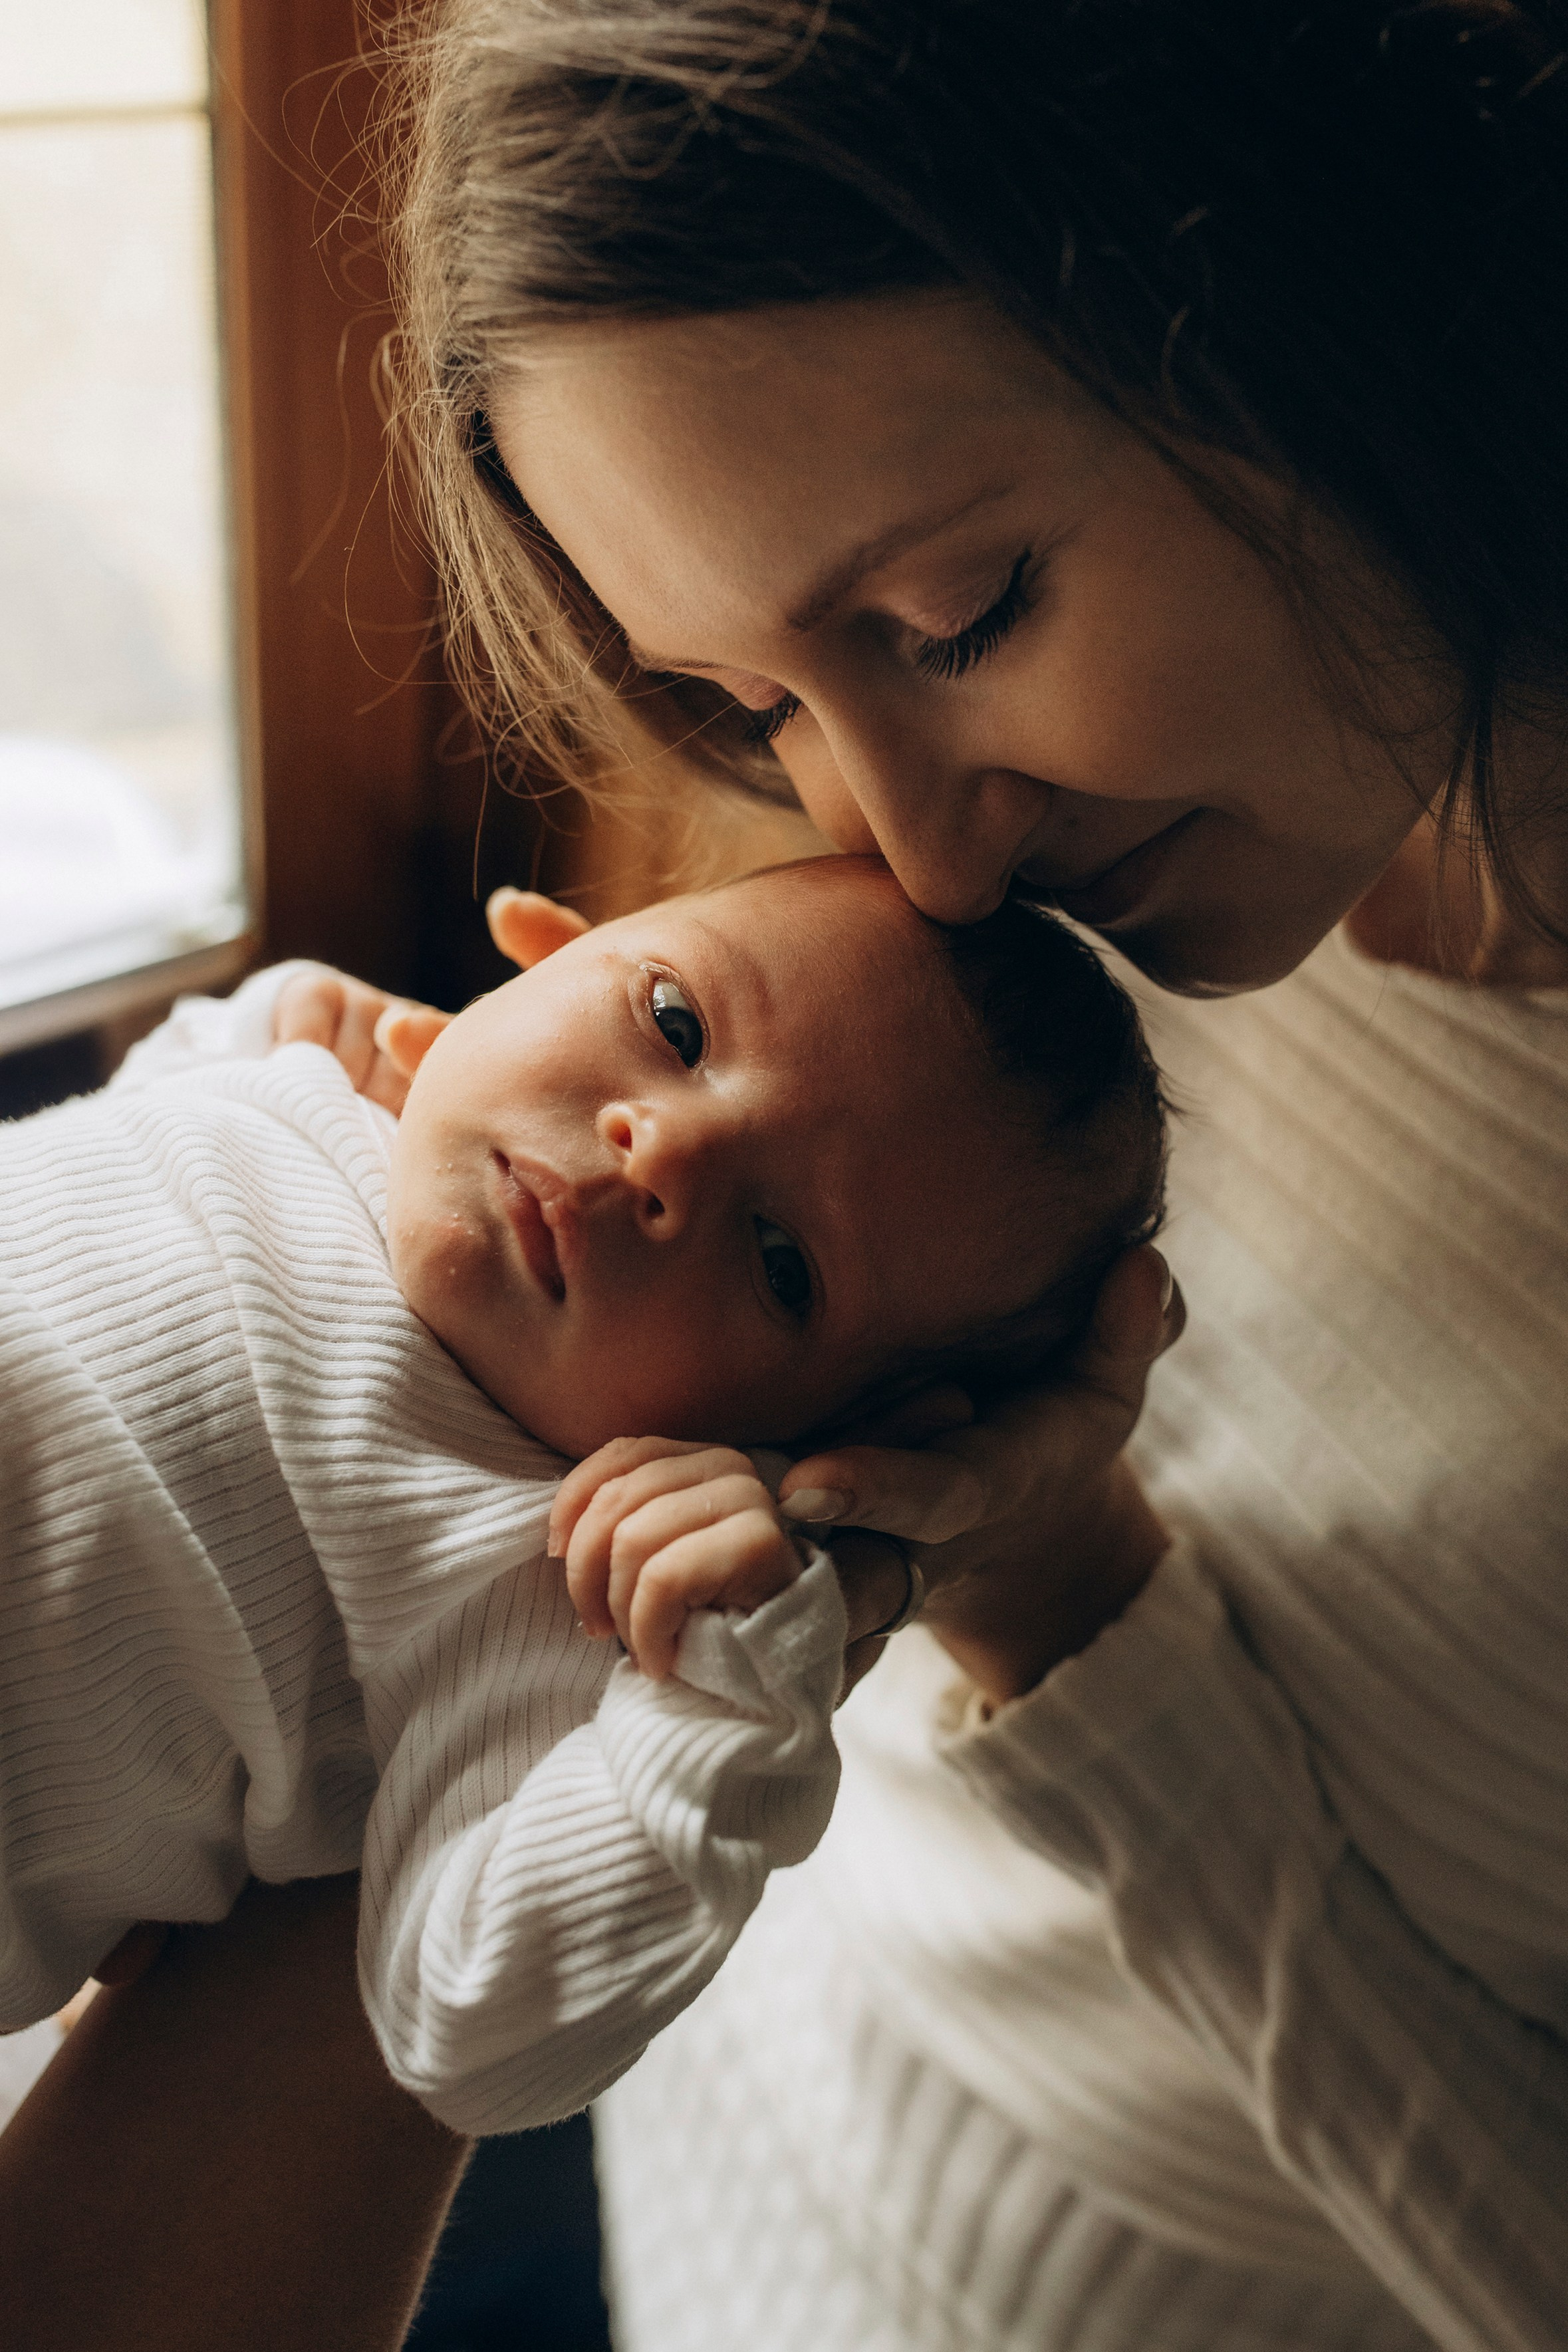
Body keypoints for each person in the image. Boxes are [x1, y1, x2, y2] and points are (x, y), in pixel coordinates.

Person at [3, 2, 1564, 2346]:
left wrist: (1029, 1604)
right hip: (676, 2086)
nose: (911, 846)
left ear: (1343, 286)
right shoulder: (994, 877)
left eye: (955, 619)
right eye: (745, 701)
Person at [0, 856, 1162, 2133]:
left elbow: (470, 2033)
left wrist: (721, 1701)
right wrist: (256, 1028)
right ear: (552, 948)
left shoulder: (557, 1587)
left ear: (841, 1436)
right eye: (675, 1023)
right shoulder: (309, 1079)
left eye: (782, 1264)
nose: (662, 1145)